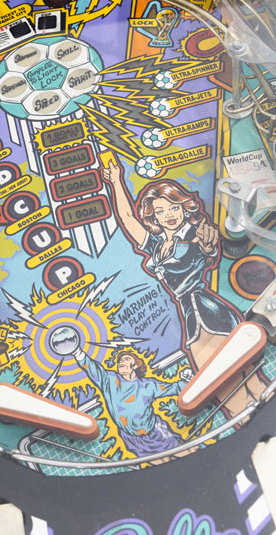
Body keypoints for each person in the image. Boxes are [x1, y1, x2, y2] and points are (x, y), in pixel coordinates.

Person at [102, 164, 266, 416]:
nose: (168, 214)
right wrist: (115, 181)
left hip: (209, 312)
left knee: (239, 387)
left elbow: (209, 244)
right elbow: (127, 218)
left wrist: (208, 241)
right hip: (191, 314)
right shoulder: (156, 245)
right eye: (160, 211)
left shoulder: (196, 232)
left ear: (183, 207)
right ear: (154, 218)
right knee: (227, 393)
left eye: (174, 207)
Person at [74, 348, 191, 461]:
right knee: (152, 464)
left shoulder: (148, 385)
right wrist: (77, 353)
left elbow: (172, 388)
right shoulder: (110, 381)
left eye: (126, 359)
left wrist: (186, 381)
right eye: (120, 360)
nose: (121, 362)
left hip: (155, 433)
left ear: (135, 365)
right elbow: (94, 369)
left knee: (181, 453)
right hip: (130, 438)